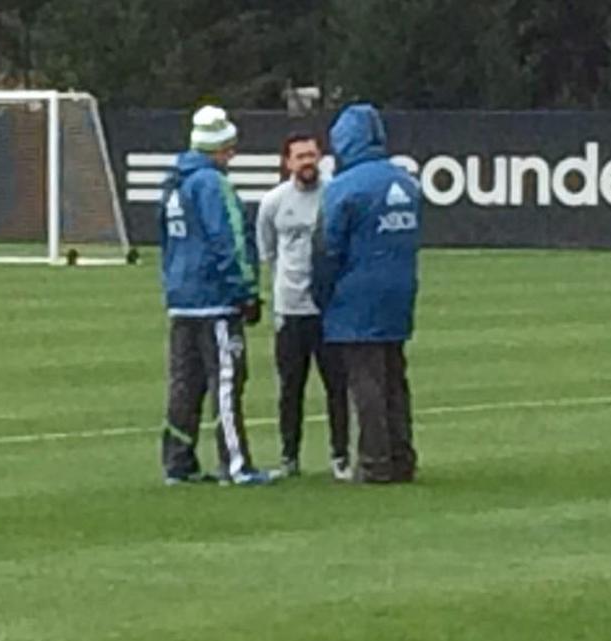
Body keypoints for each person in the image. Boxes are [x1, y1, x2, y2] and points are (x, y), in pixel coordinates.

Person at [158, 105, 275, 487]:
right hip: (214, 300)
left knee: (184, 384)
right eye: (229, 147)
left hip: (181, 299)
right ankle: (236, 465)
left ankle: (178, 462)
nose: (233, 154)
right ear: (218, 147)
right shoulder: (212, 184)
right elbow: (230, 242)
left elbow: (167, 244)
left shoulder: (173, 183)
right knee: (226, 381)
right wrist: (247, 292)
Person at [317, 104, 421, 484]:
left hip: (356, 295)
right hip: (400, 291)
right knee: (395, 376)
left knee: (366, 380)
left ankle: (375, 461)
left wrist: (322, 294)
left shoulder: (344, 188)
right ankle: (402, 455)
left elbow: (328, 249)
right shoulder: (406, 183)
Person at [257, 133, 351, 481]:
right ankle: (289, 456)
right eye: (300, 157)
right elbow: (267, 250)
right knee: (290, 388)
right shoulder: (274, 202)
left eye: (311, 155)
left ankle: (340, 456)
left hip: (329, 310)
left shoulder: (335, 195)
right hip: (291, 309)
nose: (307, 162)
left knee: (337, 387)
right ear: (287, 162)